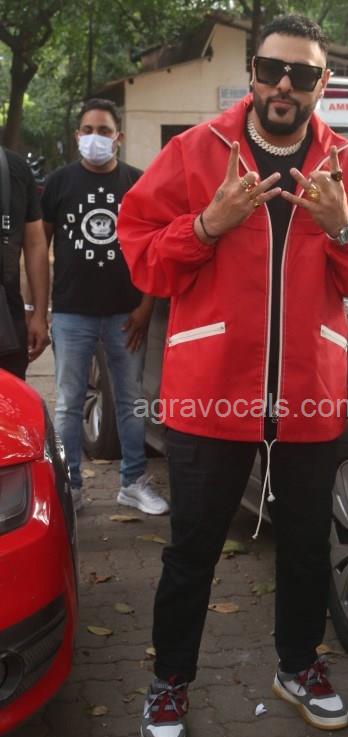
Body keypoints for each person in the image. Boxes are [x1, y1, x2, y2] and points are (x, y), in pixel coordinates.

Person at [118, 14, 348, 737]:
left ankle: (297, 666)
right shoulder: (194, 153)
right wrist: (205, 226)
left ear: (321, 84)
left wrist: (344, 228)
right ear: (251, 73)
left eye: (301, 75)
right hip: (209, 392)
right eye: (272, 70)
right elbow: (141, 255)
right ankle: (170, 682)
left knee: (305, 546)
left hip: (308, 393)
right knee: (191, 551)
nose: (284, 85)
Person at [41, 98, 168, 516]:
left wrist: (146, 307)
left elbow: (154, 250)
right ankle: (70, 488)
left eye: (104, 131)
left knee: (130, 400)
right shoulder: (59, 183)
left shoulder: (138, 183)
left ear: (119, 137)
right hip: (71, 314)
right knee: (68, 404)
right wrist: (38, 309)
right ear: (77, 135)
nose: (95, 138)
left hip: (126, 316)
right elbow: (39, 246)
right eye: (88, 130)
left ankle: (133, 482)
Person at [0, 146, 49, 379]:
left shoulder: (14, 168)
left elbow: (35, 244)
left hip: (6, 319)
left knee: (8, 398)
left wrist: (38, 314)